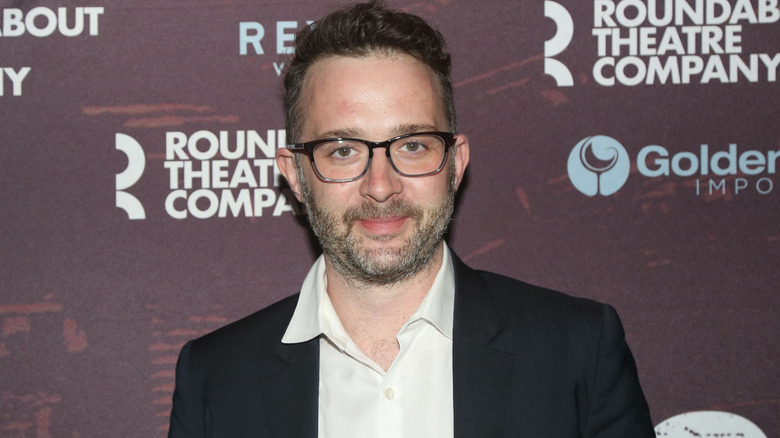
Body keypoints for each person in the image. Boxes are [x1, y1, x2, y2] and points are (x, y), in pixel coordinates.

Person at [168, 1, 655, 437]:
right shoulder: (215, 376)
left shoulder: (576, 351)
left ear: (456, 162)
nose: (381, 185)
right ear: (295, 175)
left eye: (413, 145)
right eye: (343, 150)